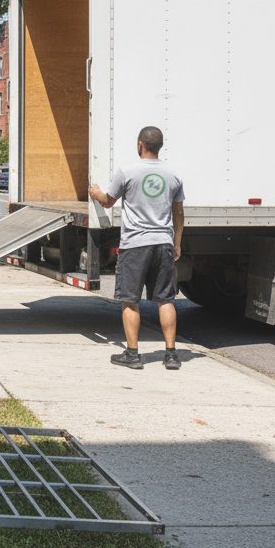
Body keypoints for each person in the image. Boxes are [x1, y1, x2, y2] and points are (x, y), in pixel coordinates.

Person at [89, 125, 185, 370]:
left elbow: (108, 202)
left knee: (130, 301)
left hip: (135, 245)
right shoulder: (173, 175)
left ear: (140, 144)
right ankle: (172, 355)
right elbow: (179, 214)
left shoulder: (127, 172)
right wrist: (176, 243)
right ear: (159, 146)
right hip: (163, 243)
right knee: (165, 300)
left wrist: (96, 193)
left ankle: (132, 354)